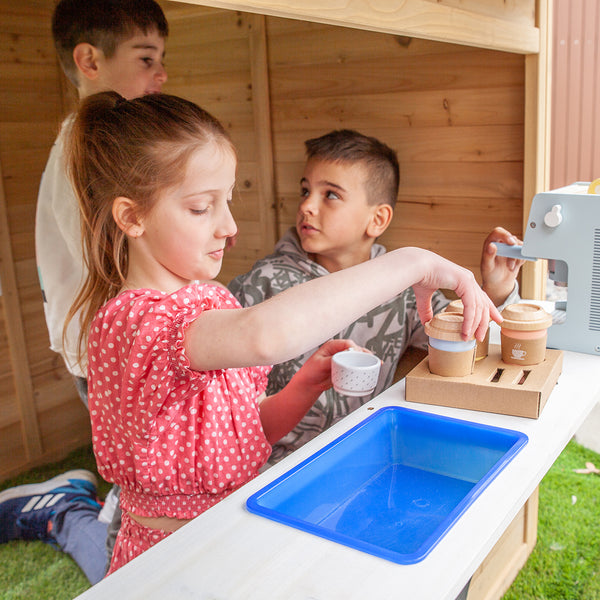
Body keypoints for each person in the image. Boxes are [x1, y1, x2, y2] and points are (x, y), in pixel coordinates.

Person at [63, 91, 499, 574]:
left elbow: (246, 434)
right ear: (132, 217)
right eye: (201, 207)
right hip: (177, 562)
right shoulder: (143, 321)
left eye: (227, 201)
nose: (228, 226)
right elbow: (267, 334)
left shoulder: (205, 303)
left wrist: (302, 386)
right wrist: (414, 261)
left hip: (229, 537)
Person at [229, 129, 523, 465]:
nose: (307, 206)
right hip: (272, 464)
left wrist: (496, 290)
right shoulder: (262, 282)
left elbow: (470, 342)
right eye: (305, 190)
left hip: (369, 458)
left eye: (331, 195)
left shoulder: (406, 290)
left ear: (377, 219)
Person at [0, 0, 168, 585]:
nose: (161, 75)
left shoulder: (99, 140)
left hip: (115, 347)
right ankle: (72, 515)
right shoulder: (87, 151)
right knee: (141, 499)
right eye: (147, 59)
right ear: (89, 60)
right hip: (107, 353)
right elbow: (117, 260)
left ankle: (85, 498)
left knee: (149, 470)